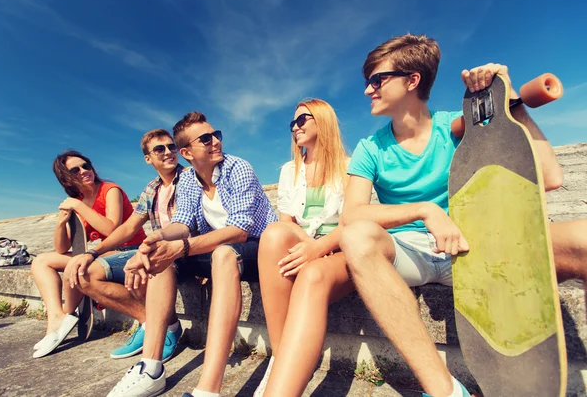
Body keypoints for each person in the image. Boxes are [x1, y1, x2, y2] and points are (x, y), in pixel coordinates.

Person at [339, 33, 587, 397]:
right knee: (356, 237)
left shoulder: (457, 126)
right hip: (411, 253)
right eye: (368, 82)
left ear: (412, 80)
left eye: (377, 80)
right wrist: (425, 211)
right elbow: (352, 215)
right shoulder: (370, 148)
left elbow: (549, 178)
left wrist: (509, 103)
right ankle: (444, 390)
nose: (367, 90)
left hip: (471, 249)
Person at [106, 111, 277, 397]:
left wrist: (183, 247)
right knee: (163, 259)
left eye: (216, 135)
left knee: (222, 253)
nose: (216, 142)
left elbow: (240, 231)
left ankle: (208, 390)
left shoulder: (238, 168)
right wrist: (156, 239)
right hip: (221, 249)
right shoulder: (187, 181)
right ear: (187, 152)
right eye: (206, 139)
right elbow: (183, 223)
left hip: (259, 249)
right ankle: (151, 368)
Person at [255, 99, 353, 396]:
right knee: (273, 234)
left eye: (302, 121)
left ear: (322, 120)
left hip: (339, 250)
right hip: (305, 247)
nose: (295, 128)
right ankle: (281, 357)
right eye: (292, 124)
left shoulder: (350, 167)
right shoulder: (289, 170)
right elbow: (286, 224)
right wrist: (309, 246)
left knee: (306, 263)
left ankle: (286, 368)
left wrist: (319, 249)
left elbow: (351, 224)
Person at [66, 129, 187, 361]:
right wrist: (92, 253)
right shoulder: (152, 189)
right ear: (148, 158)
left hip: (184, 250)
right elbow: (128, 228)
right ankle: (150, 323)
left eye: (171, 147)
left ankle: (169, 329)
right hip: (155, 249)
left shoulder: (191, 179)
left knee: (144, 264)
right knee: (85, 274)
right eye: (159, 149)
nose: (168, 152)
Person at [31, 150, 146, 358]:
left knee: (76, 263)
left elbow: (113, 229)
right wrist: (61, 222)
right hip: (101, 252)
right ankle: (57, 317)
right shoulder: (78, 200)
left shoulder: (110, 190)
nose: (84, 171)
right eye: (75, 170)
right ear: (66, 178)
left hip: (127, 249)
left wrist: (77, 206)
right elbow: (61, 247)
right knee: (41, 261)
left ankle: (66, 316)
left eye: (86, 166)